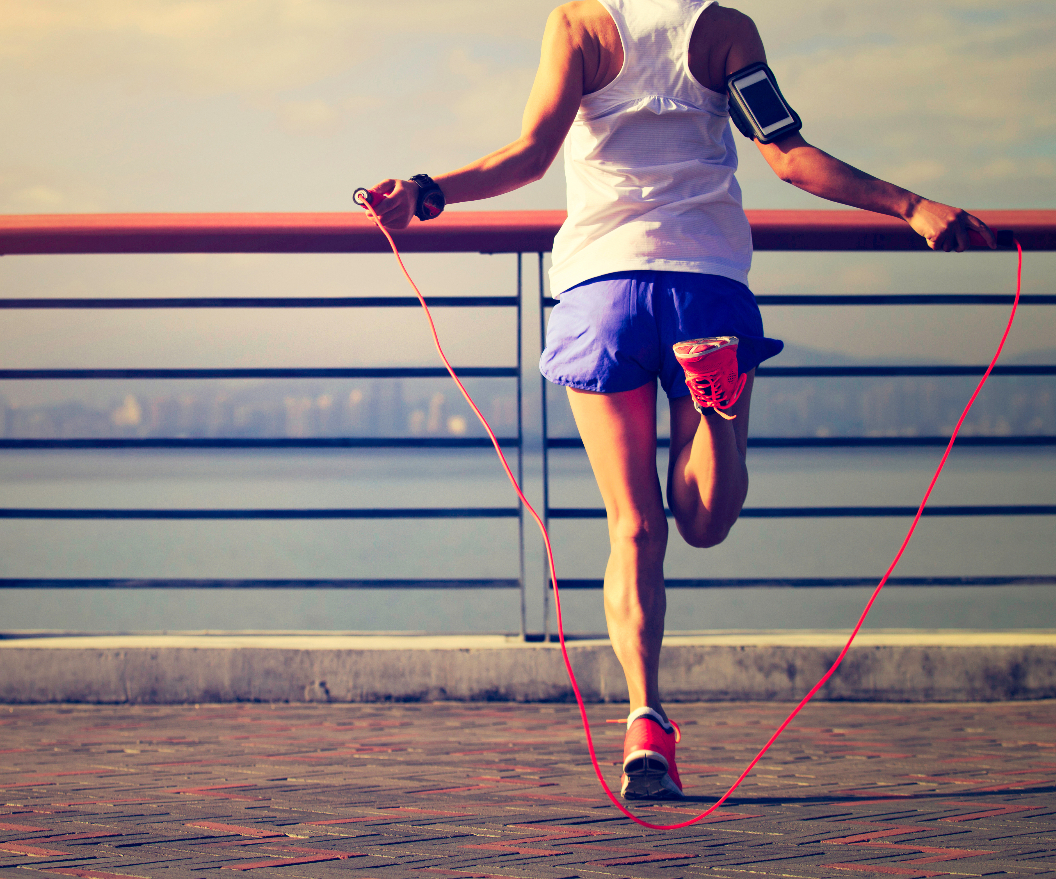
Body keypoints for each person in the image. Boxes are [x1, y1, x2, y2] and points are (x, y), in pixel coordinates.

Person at [366, 0, 996, 800]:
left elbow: (529, 156)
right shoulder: (725, 30)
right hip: (705, 285)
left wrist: (422, 191)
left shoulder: (578, 27)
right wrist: (913, 206)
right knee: (704, 520)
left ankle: (646, 722)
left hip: (604, 289)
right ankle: (718, 407)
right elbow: (790, 158)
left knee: (633, 526)